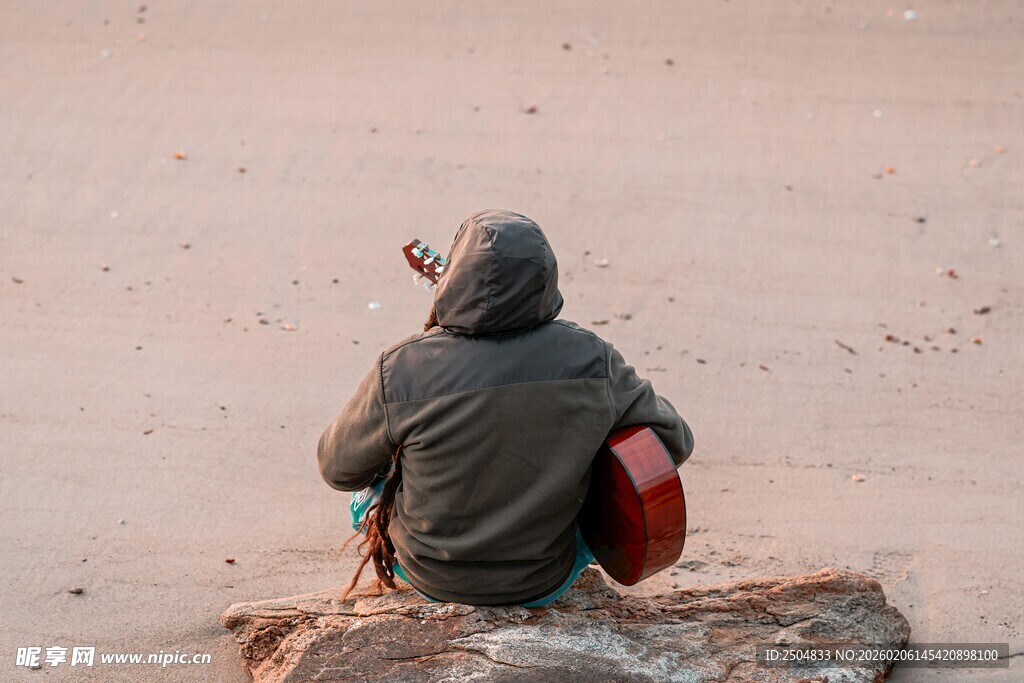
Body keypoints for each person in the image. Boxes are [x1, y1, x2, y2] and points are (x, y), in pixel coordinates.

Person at [318, 209, 694, 606]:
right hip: (545, 578)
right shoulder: (593, 359)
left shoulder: (400, 369)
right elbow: (675, 441)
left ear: (455, 279)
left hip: (431, 575)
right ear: (546, 278)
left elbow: (337, 469)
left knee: (372, 487)